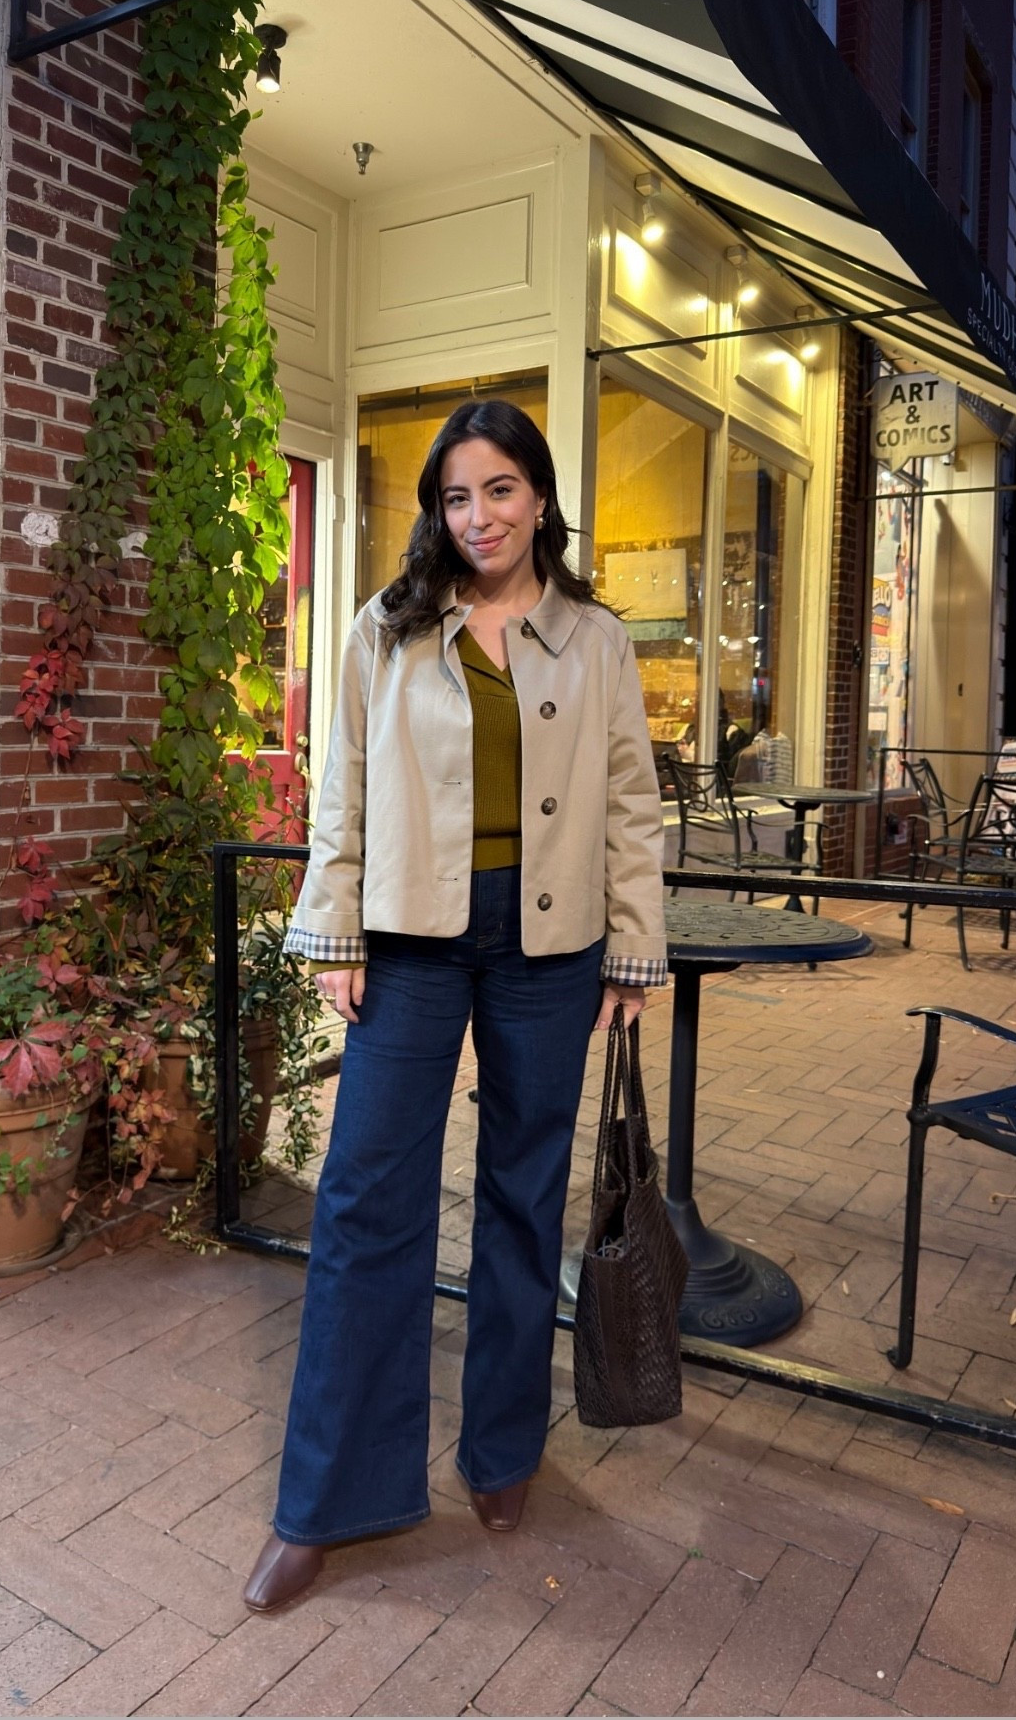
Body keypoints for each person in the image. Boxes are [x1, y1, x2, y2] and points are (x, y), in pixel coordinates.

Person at [243, 399, 667, 1614]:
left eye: (499, 490)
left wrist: (636, 949)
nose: (477, 516)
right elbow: (344, 787)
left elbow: (631, 807)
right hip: (412, 943)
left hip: (549, 950)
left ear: (540, 496)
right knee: (367, 1200)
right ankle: (328, 1499)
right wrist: (330, 928)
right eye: (455, 496)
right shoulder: (389, 628)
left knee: (524, 1199)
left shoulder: (595, 639)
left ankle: (503, 1450)